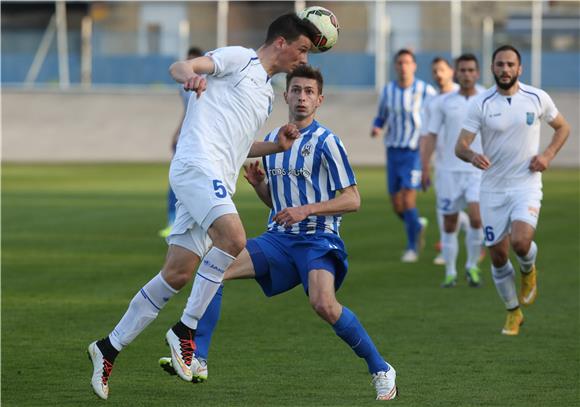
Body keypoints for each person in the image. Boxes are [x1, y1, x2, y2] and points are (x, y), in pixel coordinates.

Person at [87, 13, 319, 400]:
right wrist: (190, 77)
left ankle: (108, 348)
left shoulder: (264, 94)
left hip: (215, 179)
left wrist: (276, 146)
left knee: (176, 275)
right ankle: (184, 331)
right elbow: (181, 65)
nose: (303, 58)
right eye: (302, 49)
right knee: (233, 238)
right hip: (196, 165)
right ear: (281, 42)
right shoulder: (238, 58)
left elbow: (238, 147)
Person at [160, 65, 398, 401]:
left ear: (320, 100)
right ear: (285, 95)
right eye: (296, 90)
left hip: (318, 238)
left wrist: (306, 210)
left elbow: (352, 199)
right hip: (279, 239)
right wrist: (260, 186)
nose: (302, 97)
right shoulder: (272, 142)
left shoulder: (328, 142)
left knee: (324, 304)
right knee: (215, 267)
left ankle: (380, 368)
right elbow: (279, 204)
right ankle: (198, 358)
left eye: (309, 92)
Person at [456, 45, 570, 335]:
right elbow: (461, 146)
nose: (505, 69)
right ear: (492, 68)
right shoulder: (481, 104)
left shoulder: (536, 98)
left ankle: (529, 270)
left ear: (519, 69)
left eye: (510, 65)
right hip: (492, 190)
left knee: (520, 243)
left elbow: (563, 128)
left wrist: (547, 156)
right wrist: (472, 156)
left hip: (526, 185)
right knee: (497, 254)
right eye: (499, 64)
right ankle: (512, 312)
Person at [421, 54, 485, 288]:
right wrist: (425, 166)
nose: (467, 74)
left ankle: (472, 266)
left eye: (471, 70)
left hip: (477, 170)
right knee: (449, 223)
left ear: (477, 73)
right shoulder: (443, 102)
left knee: (477, 218)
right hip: (448, 171)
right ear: (456, 73)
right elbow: (431, 136)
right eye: (463, 70)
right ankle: (450, 272)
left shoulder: (486, 98)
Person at [371, 49, 437, 263]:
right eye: (399, 62)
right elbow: (381, 116)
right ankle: (416, 224)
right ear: (395, 66)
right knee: (397, 205)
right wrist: (376, 128)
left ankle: (412, 248)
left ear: (414, 66)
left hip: (414, 152)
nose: (403, 66)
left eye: (407, 62)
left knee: (408, 199)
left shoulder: (425, 91)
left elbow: (437, 114)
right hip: (393, 151)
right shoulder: (387, 91)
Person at [159, 46, 204, 239]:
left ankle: (200, 221)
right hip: (186, 137)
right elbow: (187, 111)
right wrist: (177, 133)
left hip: (202, 140)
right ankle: (172, 221)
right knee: (175, 179)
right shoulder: (184, 85)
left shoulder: (208, 83)